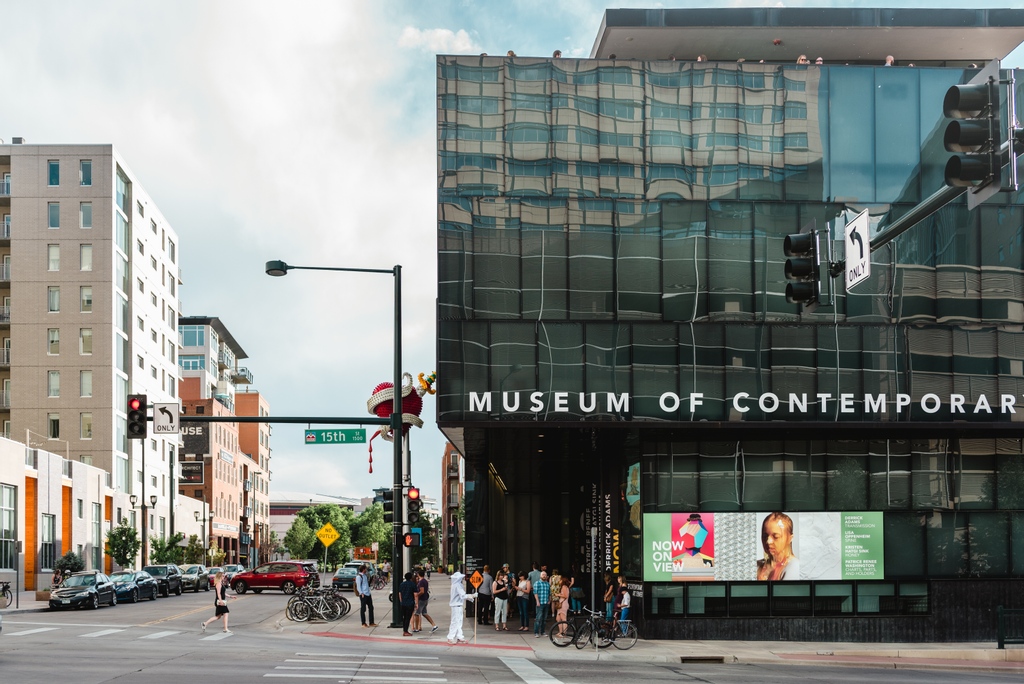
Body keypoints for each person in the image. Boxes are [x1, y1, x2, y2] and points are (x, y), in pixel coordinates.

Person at [756, 511, 801, 581]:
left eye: (776, 536)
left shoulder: (795, 566)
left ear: (790, 538)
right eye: (765, 536)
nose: (768, 541)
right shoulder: (757, 565)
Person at [447, 567, 477, 644]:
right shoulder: (457, 585)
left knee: (458, 621)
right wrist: (472, 596)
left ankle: (459, 636)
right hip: (457, 606)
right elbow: (463, 595)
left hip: (457, 605)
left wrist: (471, 598)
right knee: (455, 621)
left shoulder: (455, 585)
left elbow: (461, 596)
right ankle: (451, 637)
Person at [412, 569, 439, 633]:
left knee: (416, 614)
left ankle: (416, 628)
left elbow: (422, 591)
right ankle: (434, 625)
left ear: (418, 574)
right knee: (424, 613)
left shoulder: (421, 582)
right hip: (425, 598)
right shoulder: (425, 581)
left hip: (421, 599)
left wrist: (416, 595)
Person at [533, 570, 550, 638]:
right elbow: (535, 593)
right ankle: (536, 632)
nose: (544, 576)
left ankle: (543, 631)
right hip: (540, 603)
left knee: (544, 619)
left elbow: (549, 593)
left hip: (546, 602)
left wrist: (549, 600)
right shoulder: (537, 583)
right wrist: (537, 601)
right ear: (540, 576)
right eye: (543, 574)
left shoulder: (547, 584)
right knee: (538, 618)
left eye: (545, 575)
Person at [398, 572, 417, 636]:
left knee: (404, 617)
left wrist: (401, 601)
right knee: (408, 618)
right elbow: (415, 594)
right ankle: (405, 631)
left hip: (403, 603)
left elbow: (400, 593)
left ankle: (404, 630)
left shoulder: (402, 584)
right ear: (411, 577)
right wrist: (416, 603)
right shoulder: (413, 584)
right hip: (410, 603)